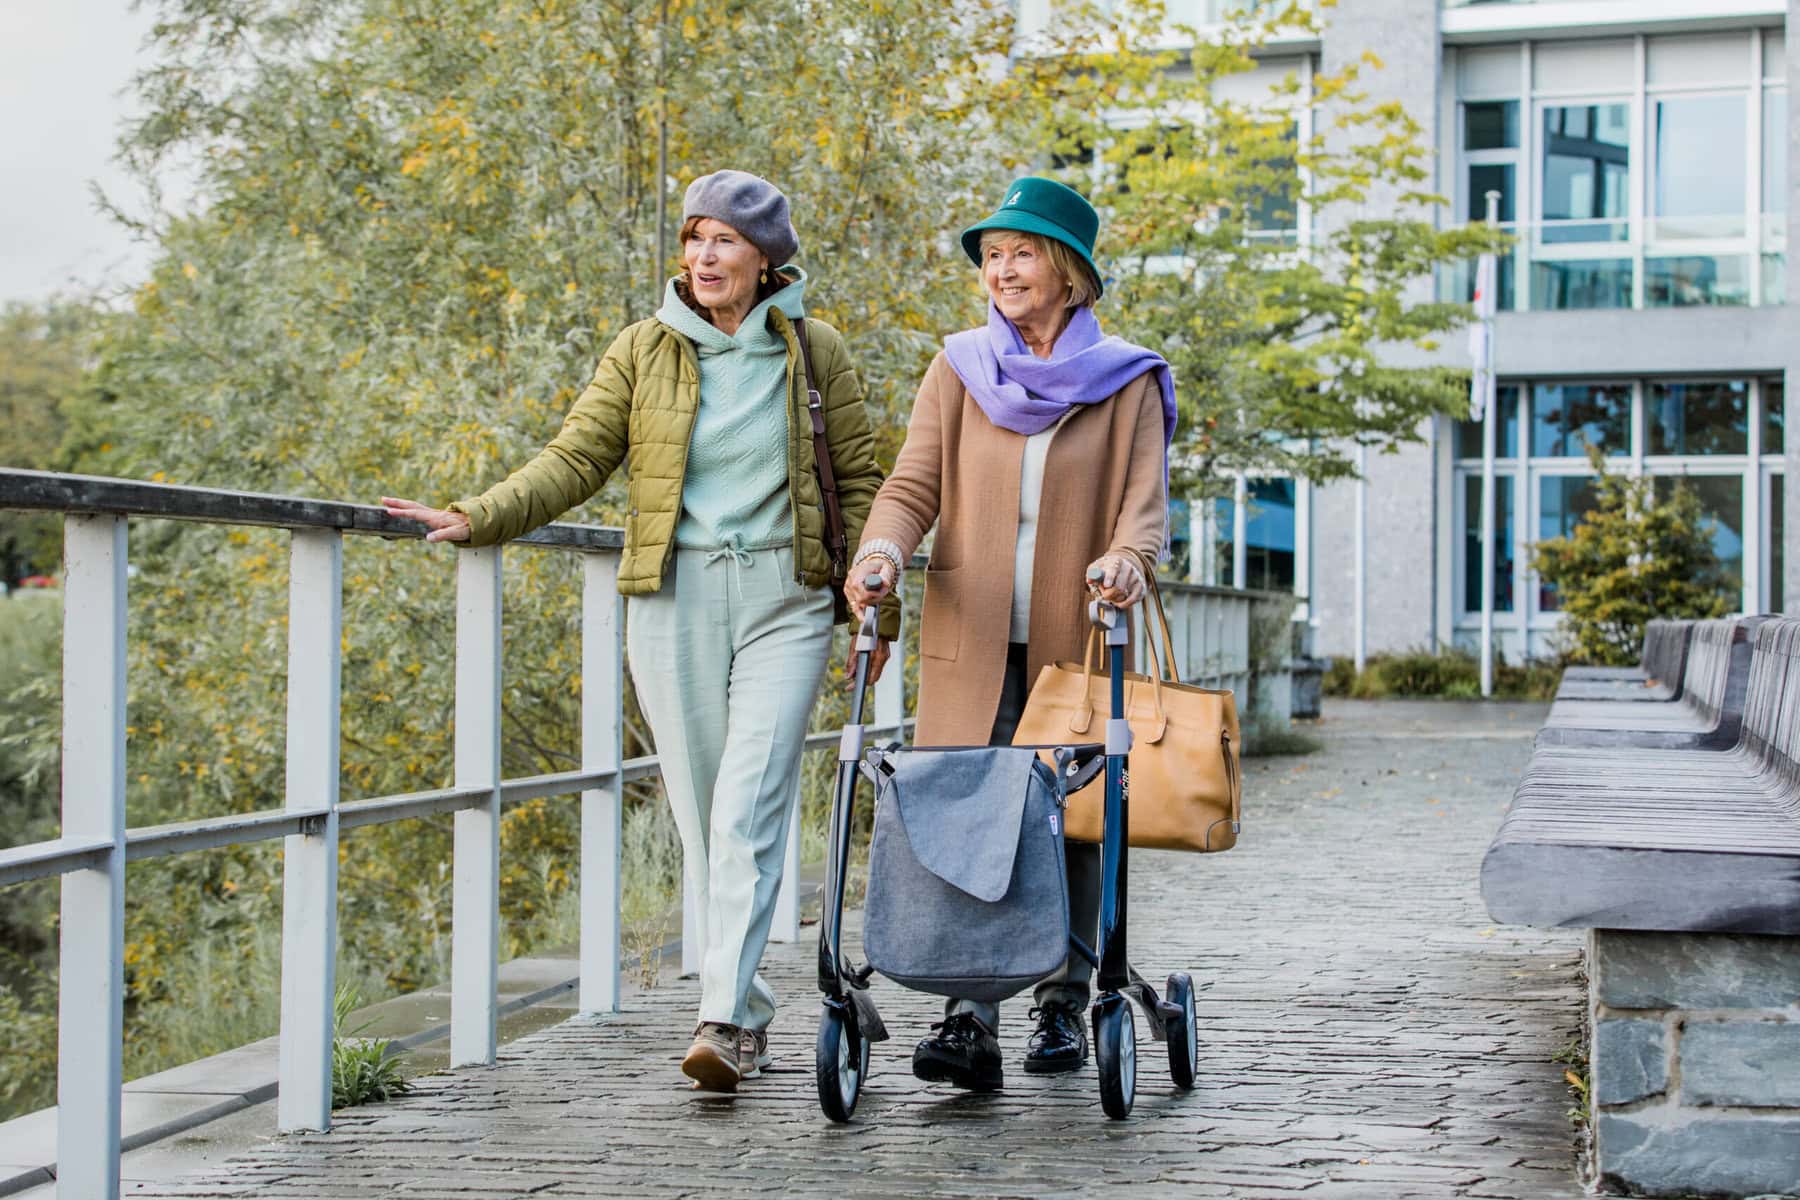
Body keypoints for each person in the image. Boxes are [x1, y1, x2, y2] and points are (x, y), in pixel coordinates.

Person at [382, 169, 896, 1093]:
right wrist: (481, 514)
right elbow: (576, 457)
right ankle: (746, 1008)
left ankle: (721, 1017)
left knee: (748, 806)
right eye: (694, 237)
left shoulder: (816, 351)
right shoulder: (644, 350)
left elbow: (859, 483)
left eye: (725, 240)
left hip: (786, 598)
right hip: (673, 601)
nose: (703, 255)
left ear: (765, 257)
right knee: (703, 819)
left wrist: (876, 602)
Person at [845, 176, 1174, 1092]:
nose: (1003, 270)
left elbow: (1144, 514)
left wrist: (1126, 563)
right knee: (966, 815)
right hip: (971, 639)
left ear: (1069, 272)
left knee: (1073, 822)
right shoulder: (958, 368)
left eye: (1022, 253)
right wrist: (881, 551)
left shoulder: (1128, 382)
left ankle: (1066, 1005)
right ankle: (967, 1018)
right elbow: (913, 487)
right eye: (992, 256)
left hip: (1079, 640)